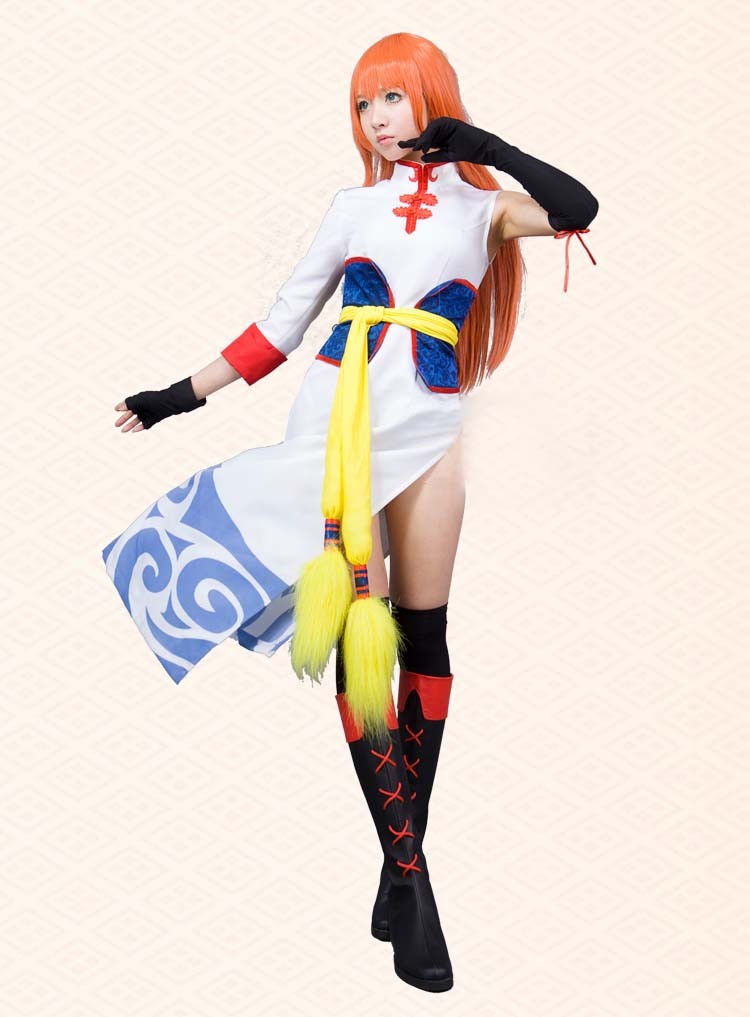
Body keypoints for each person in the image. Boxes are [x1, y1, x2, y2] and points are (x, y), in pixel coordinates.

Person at [102, 32, 598, 993]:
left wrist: (483, 146)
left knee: (425, 635)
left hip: (431, 431)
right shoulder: (352, 208)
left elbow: (579, 209)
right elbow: (280, 326)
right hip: (338, 430)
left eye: (393, 98)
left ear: (432, 99)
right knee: (360, 634)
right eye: (364, 104)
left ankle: (394, 861)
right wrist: (178, 395)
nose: (376, 119)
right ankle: (412, 881)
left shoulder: (488, 209)